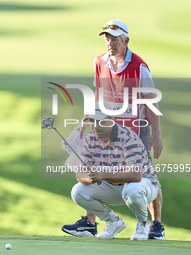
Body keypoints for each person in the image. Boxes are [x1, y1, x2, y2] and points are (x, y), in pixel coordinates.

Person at [63, 19, 165, 240]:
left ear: (126, 40)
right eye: (107, 38)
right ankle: (91, 223)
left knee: (145, 175)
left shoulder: (139, 66)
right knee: (92, 167)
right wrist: (85, 120)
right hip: (107, 129)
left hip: (136, 131)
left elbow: (152, 101)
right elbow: (98, 95)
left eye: (114, 38)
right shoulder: (99, 62)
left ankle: (156, 225)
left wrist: (156, 134)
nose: (109, 42)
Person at [62, 105, 160, 240]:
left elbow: (136, 175)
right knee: (78, 191)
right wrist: (91, 178)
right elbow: (80, 174)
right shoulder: (91, 139)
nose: (95, 126)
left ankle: (142, 223)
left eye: (100, 121)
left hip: (145, 186)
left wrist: (102, 175)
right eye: (92, 121)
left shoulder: (127, 137)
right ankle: (114, 222)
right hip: (114, 187)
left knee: (132, 190)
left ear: (112, 119)